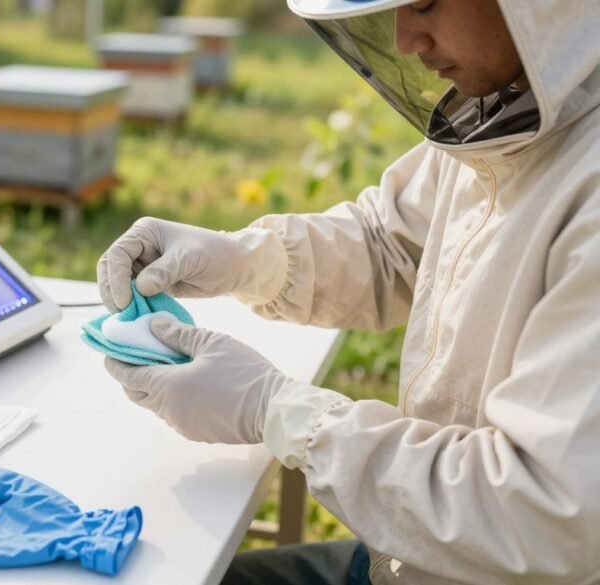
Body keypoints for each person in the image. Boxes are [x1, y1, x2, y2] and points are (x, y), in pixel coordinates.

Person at [96, 0, 600, 583]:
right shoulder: (513, 107)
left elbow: (540, 520)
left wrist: (281, 413)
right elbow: (391, 240)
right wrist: (244, 259)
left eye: (423, 3)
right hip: (413, 556)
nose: (405, 38)